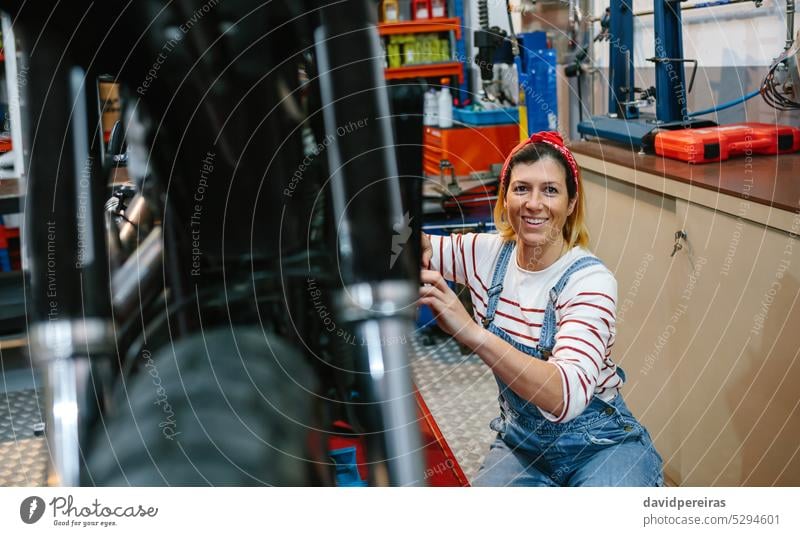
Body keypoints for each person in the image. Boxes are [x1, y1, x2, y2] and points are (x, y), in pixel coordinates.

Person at [418, 131, 663, 486]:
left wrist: (471, 333)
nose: (534, 203)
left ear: (572, 202)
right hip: (523, 446)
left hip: (601, 444)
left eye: (550, 190)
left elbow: (565, 396)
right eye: (521, 189)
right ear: (505, 197)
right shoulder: (485, 253)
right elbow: (413, 242)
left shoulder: (590, 281)